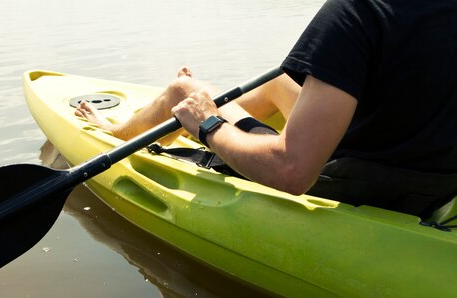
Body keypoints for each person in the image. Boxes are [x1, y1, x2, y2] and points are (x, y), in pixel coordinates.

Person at [75, 0, 457, 218]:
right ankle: (221, 106)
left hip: (353, 179)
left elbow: (291, 174)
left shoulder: (358, 11)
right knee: (277, 82)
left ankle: (116, 133)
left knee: (183, 90)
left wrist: (208, 123)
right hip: (434, 181)